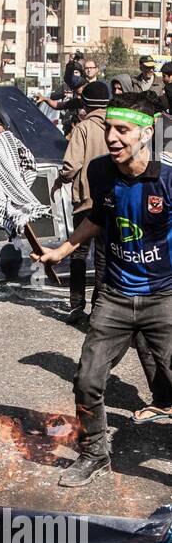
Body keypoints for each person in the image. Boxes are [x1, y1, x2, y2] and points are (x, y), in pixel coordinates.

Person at [34, 91, 172, 486]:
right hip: (113, 296)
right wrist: (62, 250)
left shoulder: (168, 177)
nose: (111, 137)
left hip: (164, 297)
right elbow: (97, 217)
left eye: (122, 130)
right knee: (87, 381)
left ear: (146, 134)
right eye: (108, 127)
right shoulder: (99, 171)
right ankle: (95, 454)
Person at [53, 79, 111, 321]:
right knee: (103, 257)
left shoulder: (83, 128)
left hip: (86, 201)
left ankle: (77, 305)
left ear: (86, 104)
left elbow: (71, 165)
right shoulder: (116, 126)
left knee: (78, 251)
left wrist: (61, 179)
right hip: (111, 201)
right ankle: (99, 309)